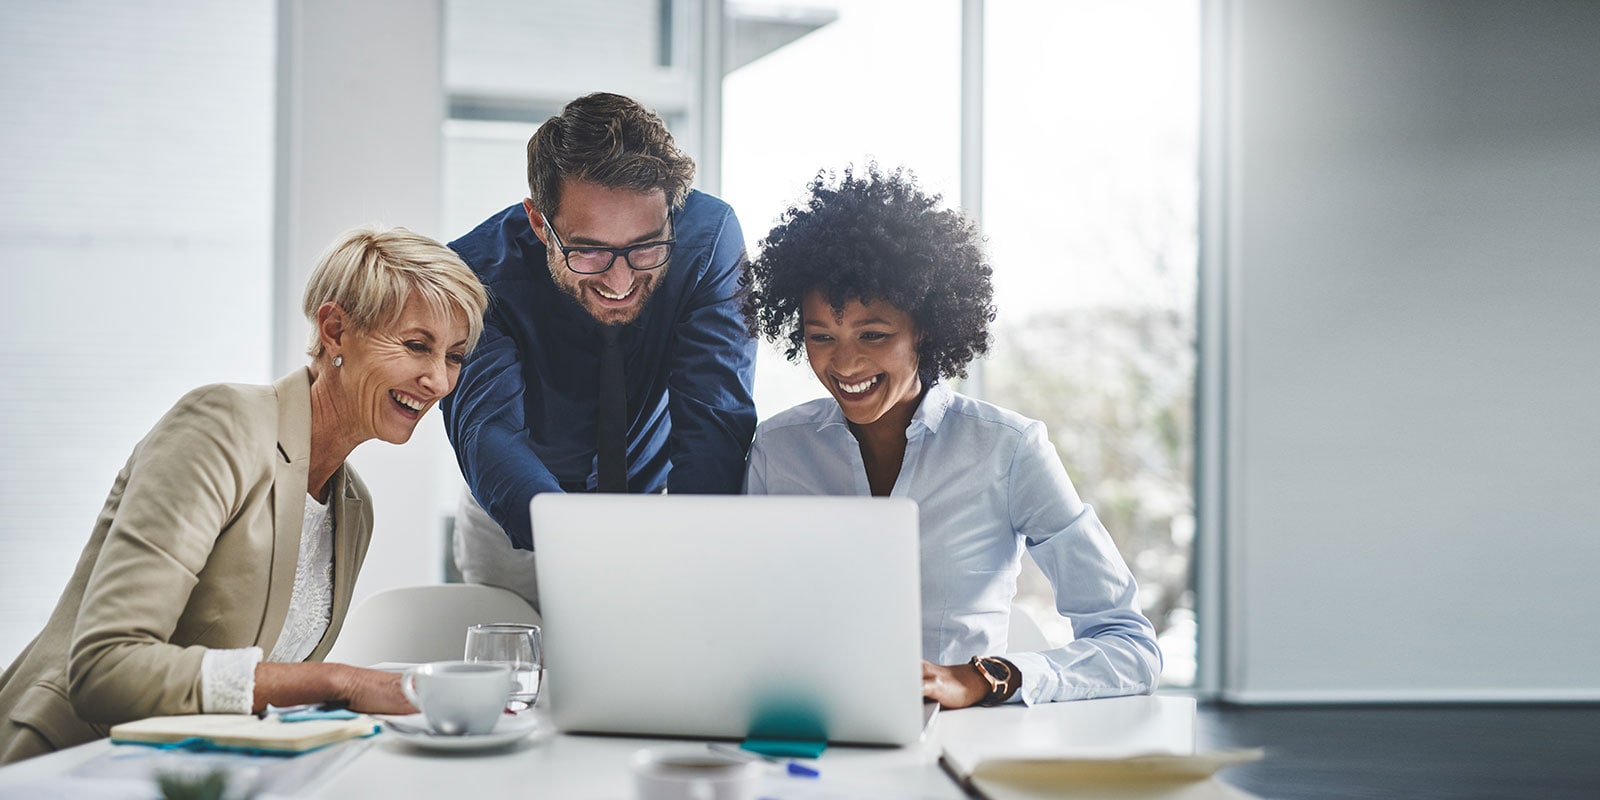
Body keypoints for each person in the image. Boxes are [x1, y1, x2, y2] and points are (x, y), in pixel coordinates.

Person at [0, 226, 489, 762]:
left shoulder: (354, 508)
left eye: (454, 357)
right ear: (334, 330)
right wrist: (338, 682)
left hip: (196, 776)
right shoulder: (221, 425)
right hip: (65, 764)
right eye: (417, 346)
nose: (439, 382)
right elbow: (106, 667)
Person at [742, 166, 1162, 708]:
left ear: (926, 328)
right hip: (809, 730)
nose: (844, 363)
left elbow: (1130, 646)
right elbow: (745, 618)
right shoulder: (779, 450)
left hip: (957, 741)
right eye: (821, 336)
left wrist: (980, 678)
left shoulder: (1008, 450)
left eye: (874, 334)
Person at [443, 92, 756, 604]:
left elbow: (714, 418)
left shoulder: (709, 239)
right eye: (589, 250)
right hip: (516, 528)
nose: (620, 279)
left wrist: (696, 553)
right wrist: (587, 550)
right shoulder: (474, 272)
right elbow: (488, 430)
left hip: (658, 513)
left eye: (645, 246)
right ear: (540, 222)